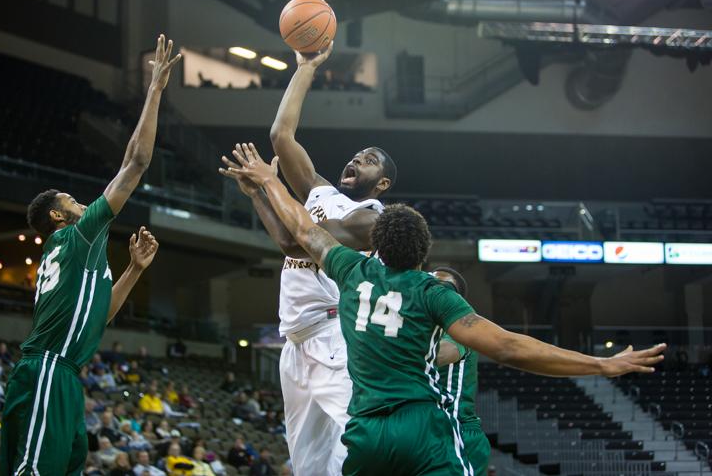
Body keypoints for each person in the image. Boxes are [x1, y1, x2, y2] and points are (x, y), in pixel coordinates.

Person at [227, 143, 667, 475]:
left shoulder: (351, 272)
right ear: (423, 254)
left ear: (377, 247)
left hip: (365, 434)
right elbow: (510, 348)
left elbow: (303, 232)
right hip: (420, 427)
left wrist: (266, 183)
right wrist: (600, 364)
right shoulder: (432, 292)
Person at [0, 33, 177, 476]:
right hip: (45, 373)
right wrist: (153, 91)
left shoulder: (75, 255)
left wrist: (134, 270)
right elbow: (135, 163)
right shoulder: (76, 237)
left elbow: (101, 315)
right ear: (60, 215)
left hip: (62, 376)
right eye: (75, 201)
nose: (85, 204)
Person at [218, 42, 396, 476]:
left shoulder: (371, 219)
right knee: (308, 465)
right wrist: (306, 68)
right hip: (294, 344)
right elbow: (281, 136)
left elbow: (296, 241)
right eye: (357, 154)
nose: (357, 159)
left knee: (366, 443)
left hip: (336, 336)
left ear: (383, 183)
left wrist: (267, 188)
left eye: (369, 161)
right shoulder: (320, 192)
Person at [430, 266, 490, 476]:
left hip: (456, 430)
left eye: (443, 285)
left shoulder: (459, 324)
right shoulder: (425, 327)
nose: (434, 288)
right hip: (427, 428)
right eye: (431, 281)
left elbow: (442, 354)